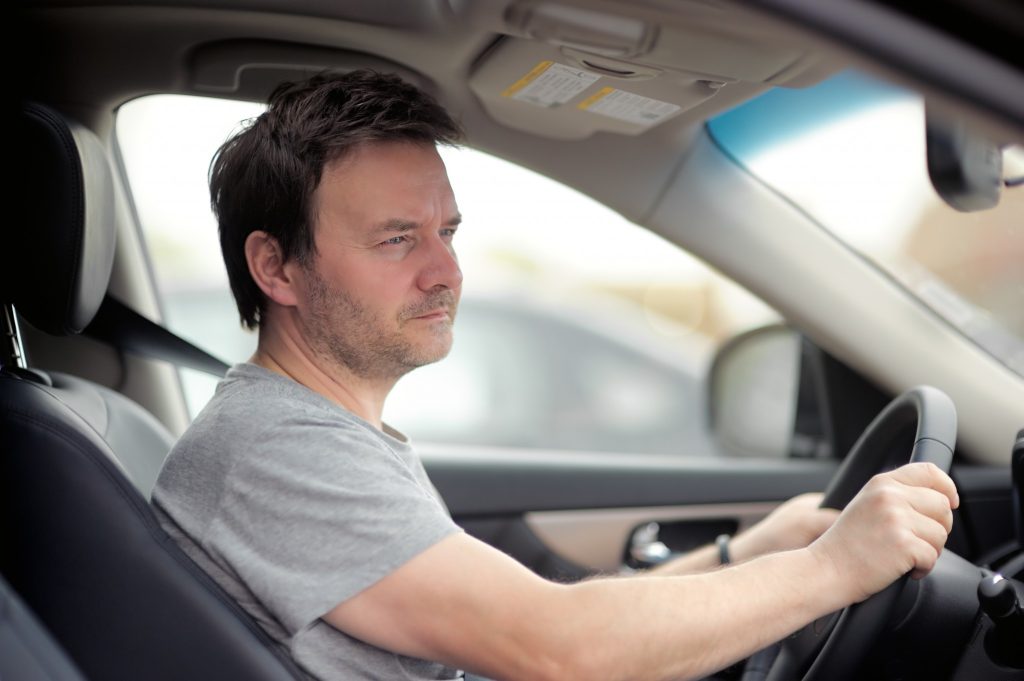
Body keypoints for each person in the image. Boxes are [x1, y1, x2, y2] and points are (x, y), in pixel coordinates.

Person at [152, 70, 959, 681]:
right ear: (276, 267)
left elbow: (539, 626)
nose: (445, 271)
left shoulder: (318, 432)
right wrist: (828, 568)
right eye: (397, 238)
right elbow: (557, 645)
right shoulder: (277, 448)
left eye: (446, 232)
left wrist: (746, 551)